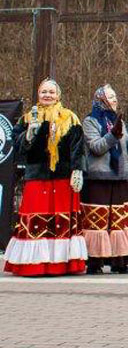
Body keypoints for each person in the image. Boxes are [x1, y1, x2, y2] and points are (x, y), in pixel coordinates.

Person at [3, 79, 87, 276]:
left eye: (51, 92)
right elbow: (17, 148)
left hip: (62, 177)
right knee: (36, 218)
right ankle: (35, 264)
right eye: (43, 92)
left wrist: (77, 171)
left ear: (58, 95)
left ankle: (61, 263)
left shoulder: (70, 118)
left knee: (61, 220)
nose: (47, 95)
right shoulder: (26, 119)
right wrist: (29, 135)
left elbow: (78, 147)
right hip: (36, 175)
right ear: (38, 94)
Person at [82, 84, 128, 274]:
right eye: (111, 97)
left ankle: (119, 261)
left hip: (119, 177)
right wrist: (113, 135)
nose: (115, 100)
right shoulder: (90, 121)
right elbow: (96, 147)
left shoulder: (116, 120)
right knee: (98, 222)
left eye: (115, 96)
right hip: (99, 179)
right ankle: (95, 262)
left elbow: (126, 148)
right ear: (101, 100)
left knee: (120, 222)